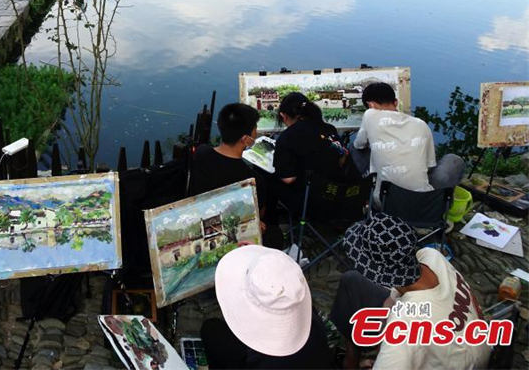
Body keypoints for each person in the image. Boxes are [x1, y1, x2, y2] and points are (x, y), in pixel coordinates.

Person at [330, 213, 490, 369]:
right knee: (352, 280)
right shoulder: (432, 256)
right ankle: (351, 359)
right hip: (477, 346)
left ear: (377, 273)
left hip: (459, 362)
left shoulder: (404, 326)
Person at [201, 245, 332, 369]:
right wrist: (258, 260)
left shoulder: (250, 353)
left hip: (259, 361)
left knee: (211, 329)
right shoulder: (313, 321)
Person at [352, 82, 464, 206]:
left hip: (385, 203)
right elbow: (429, 167)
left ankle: (362, 189)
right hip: (423, 204)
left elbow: (358, 145)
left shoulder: (369, 115)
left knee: (354, 148)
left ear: (370, 105)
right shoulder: (421, 124)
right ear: (395, 102)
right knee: (454, 160)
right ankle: (444, 204)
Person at [263, 91, 346, 229]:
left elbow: (288, 179)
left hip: (310, 201)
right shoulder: (329, 129)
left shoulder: (287, 136)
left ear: (283, 116)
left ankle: (271, 226)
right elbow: (341, 159)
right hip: (338, 195)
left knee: (267, 178)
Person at [187, 102, 263, 200]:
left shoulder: (201, 152)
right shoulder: (252, 180)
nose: (256, 133)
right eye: (255, 129)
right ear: (245, 139)